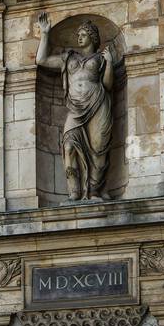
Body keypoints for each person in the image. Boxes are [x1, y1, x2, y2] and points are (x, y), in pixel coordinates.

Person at [36, 12, 114, 201]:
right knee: (69, 145)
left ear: (93, 38)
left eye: (83, 34)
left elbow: (108, 85)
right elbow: (41, 60)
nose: (79, 37)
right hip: (75, 108)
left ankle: (94, 191)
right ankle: (74, 192)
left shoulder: (101, 59)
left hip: (98, 104)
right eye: (78, 34)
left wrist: (110, 63)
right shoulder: (68, 58)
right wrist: (45, 34)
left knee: (98, 148)